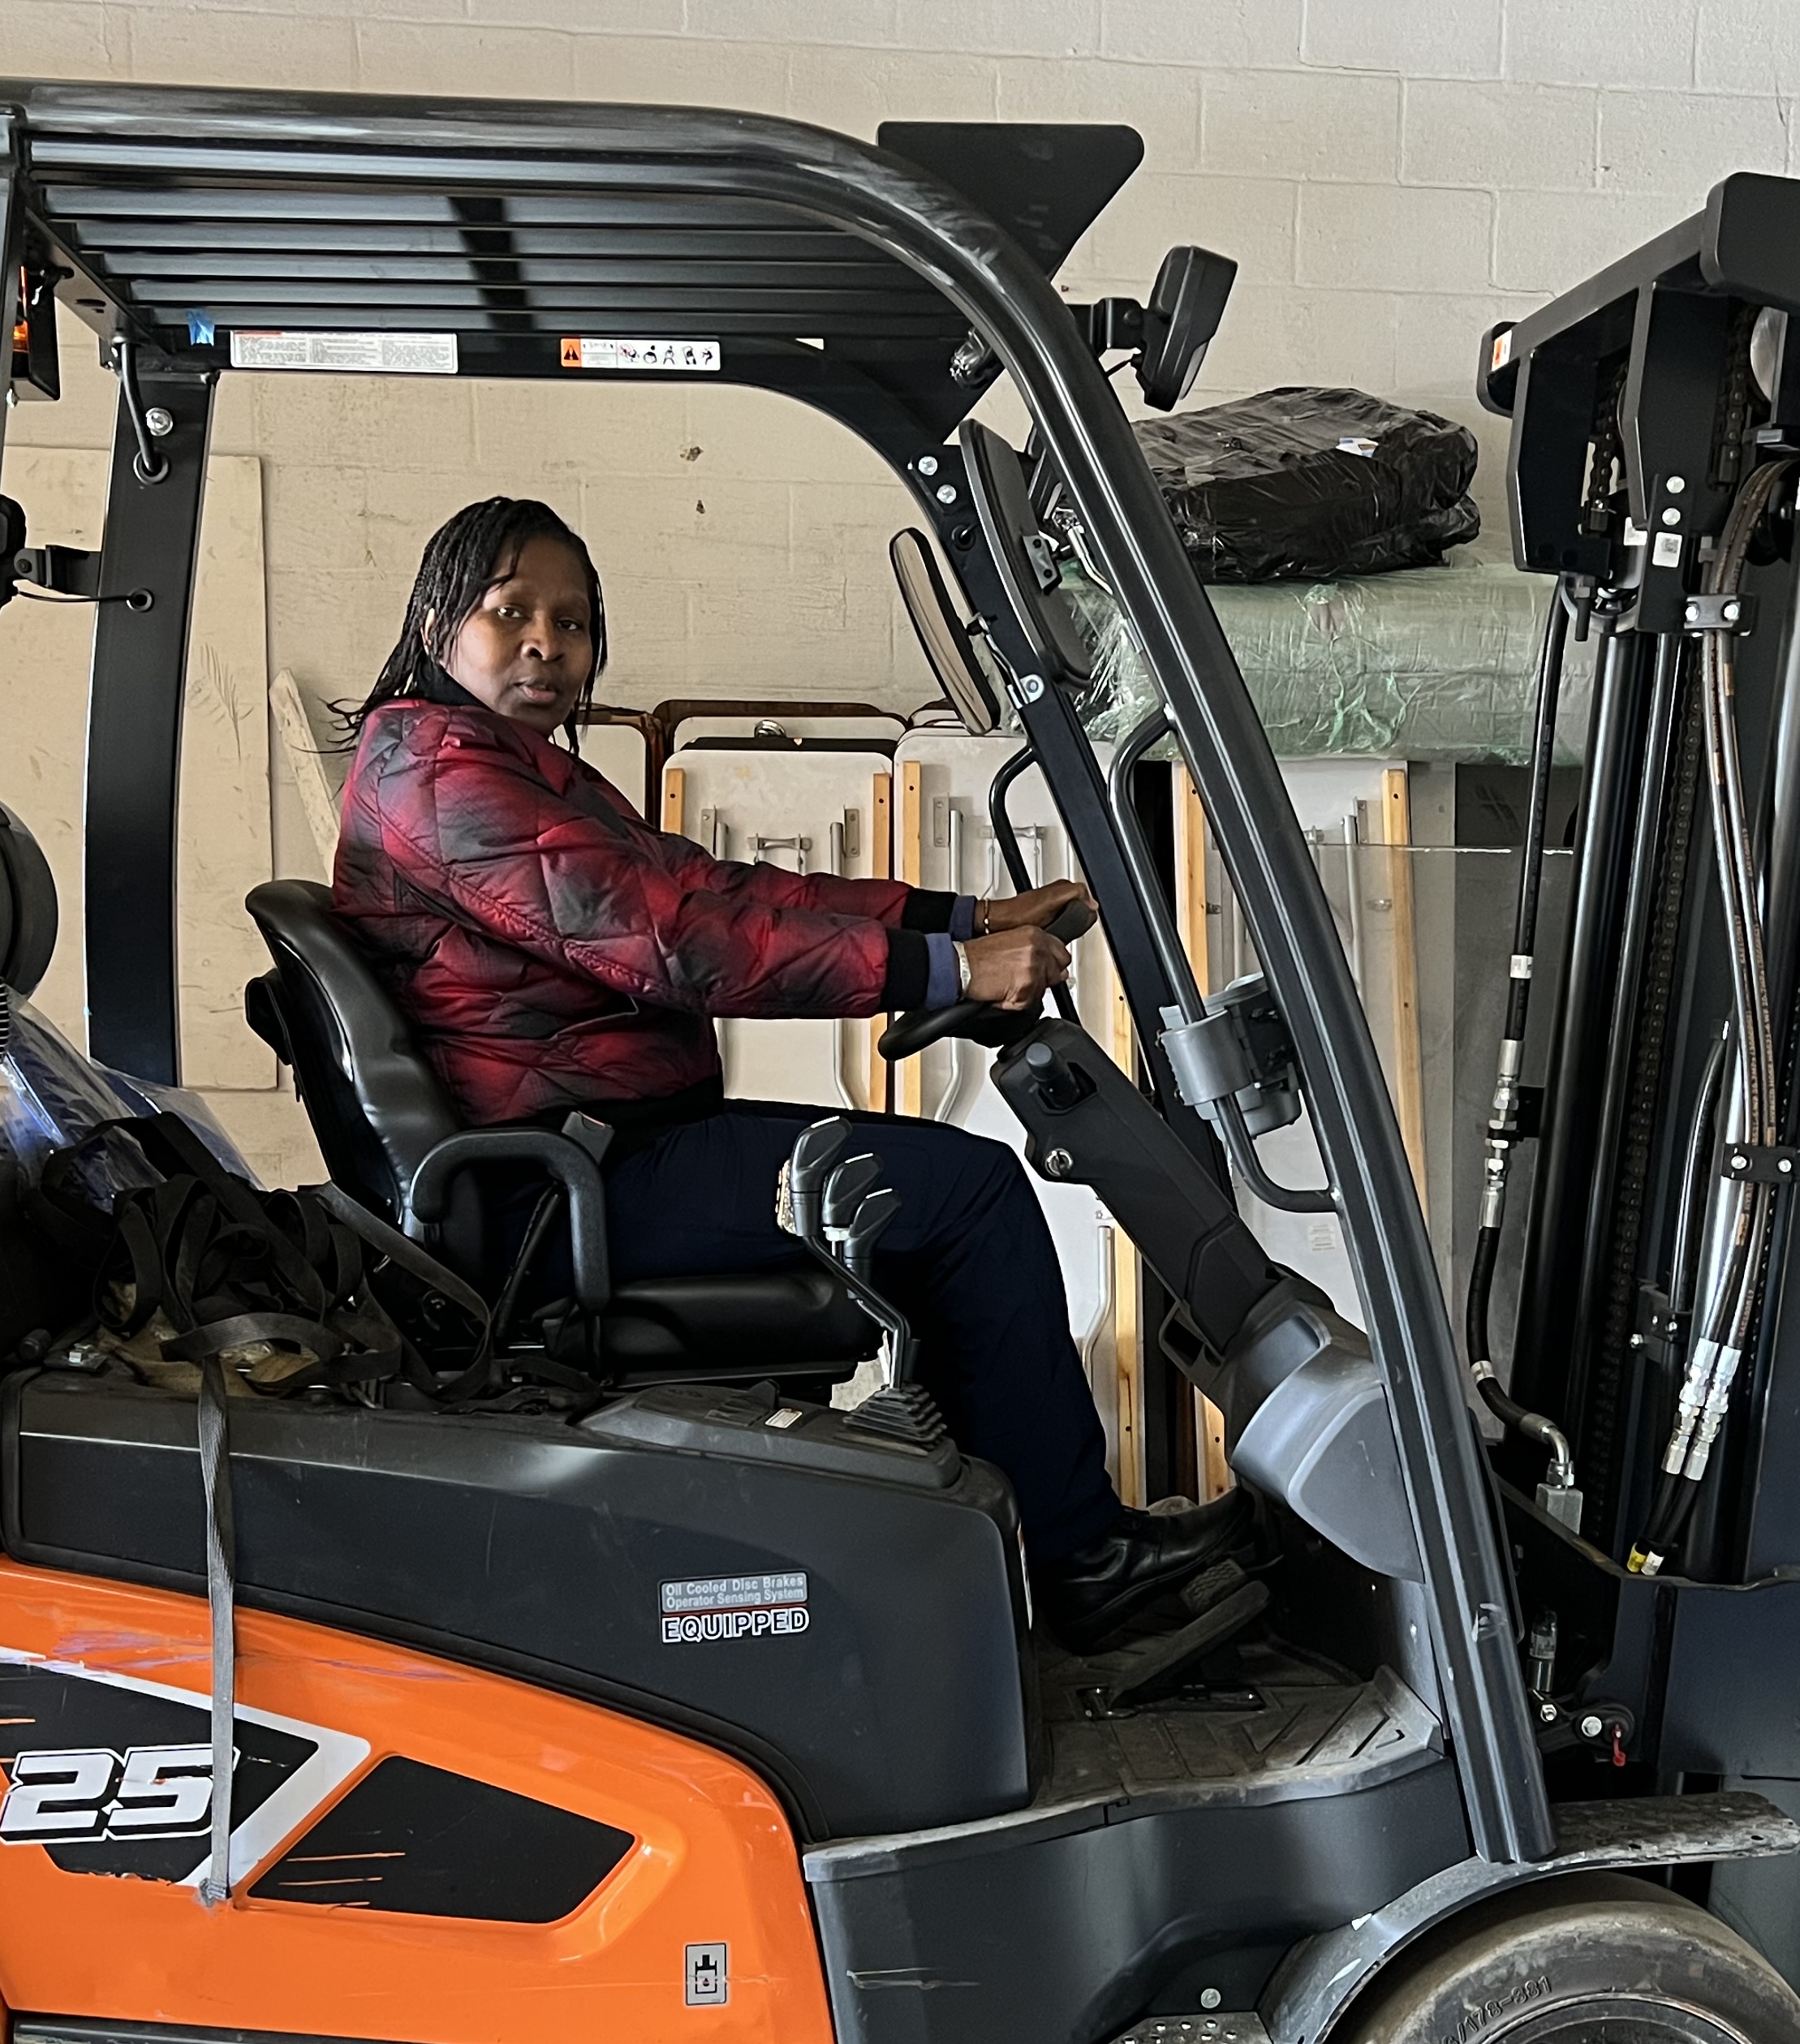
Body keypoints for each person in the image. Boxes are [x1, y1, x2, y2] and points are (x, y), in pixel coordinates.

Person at [329, 494, 1259, 1647]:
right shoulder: (445, 782)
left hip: (597, 1152)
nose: (544, 645)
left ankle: (1001, 1552)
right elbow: (674, 941)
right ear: (437, 620)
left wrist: (962, 918)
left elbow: (714, 888)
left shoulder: (500, 768)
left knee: (943, 1196)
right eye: (510, 612)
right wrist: (942, 969)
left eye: (571, 623)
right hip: (568, 1190)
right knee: (969, 1197)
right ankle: (1079, 1559)